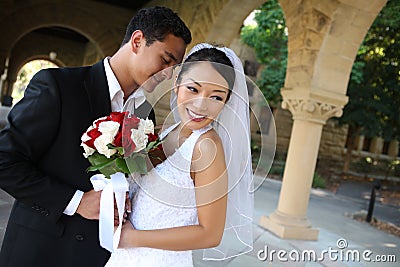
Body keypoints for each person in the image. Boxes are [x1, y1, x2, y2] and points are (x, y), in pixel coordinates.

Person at [0, 6, 191, 267]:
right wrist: (76, 202)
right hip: (41, 251)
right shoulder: (59, 87)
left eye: (174, 67)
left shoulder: (145, 116)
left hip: (101, 256)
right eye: (166, 60)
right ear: (137, 41)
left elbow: (132, 177)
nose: (168, 73)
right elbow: (4, 160)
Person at [104, 43, 254, 267]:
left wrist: (132, 238)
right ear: (176, 85)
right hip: (126, 257)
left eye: (216, 97)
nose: (201, 105)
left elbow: (210, 234)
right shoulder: (168, 132)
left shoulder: (207, 148)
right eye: (193, 89)